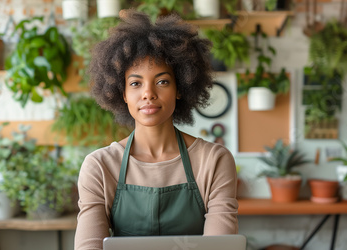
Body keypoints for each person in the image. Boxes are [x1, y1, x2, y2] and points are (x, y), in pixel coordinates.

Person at [74, 9, 238, 250]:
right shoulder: (100, 166)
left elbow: (220, 247)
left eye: (162, 81)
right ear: (123, 94)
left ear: (180, 87)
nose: (148, 93)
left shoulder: (213, 161)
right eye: (135, 83)